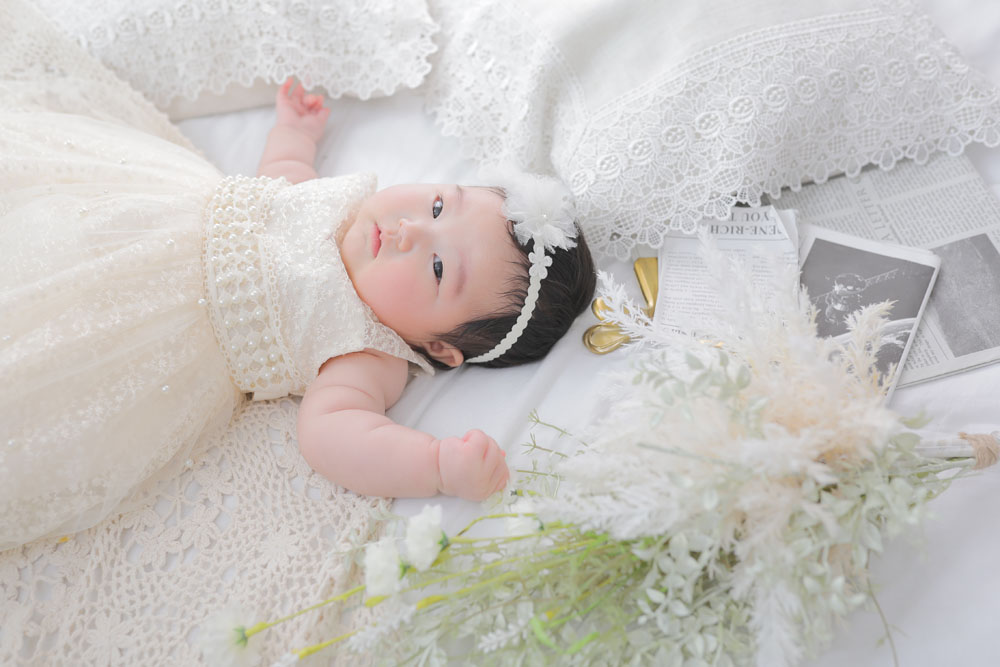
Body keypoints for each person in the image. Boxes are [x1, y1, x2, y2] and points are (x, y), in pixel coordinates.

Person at [0, 4, 595, 550]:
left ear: (439, 346)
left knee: (46, 335)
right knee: (43, 209)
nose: (411, 230)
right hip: (149, 208)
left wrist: (437, 465)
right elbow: (279, 179)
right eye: (438, 205)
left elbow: (333, 437)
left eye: (438, 268)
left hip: (154, 325)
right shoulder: (337, 206)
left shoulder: (369, 353)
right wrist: (296, 134)